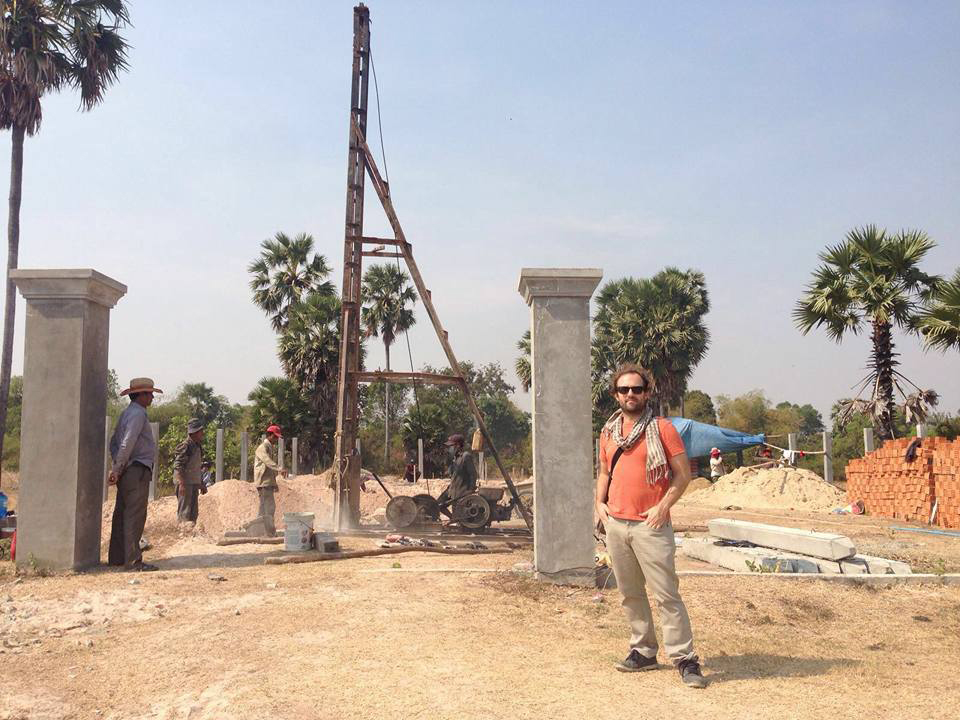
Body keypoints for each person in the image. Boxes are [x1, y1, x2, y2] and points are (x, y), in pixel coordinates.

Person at [595, 363, 707, 688]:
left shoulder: (661, 429)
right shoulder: (607, 433)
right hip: (617, 524)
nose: (631, 394)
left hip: (651, 524)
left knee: (666, 594)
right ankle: (643, 650)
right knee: (630, 593)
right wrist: (598, 504)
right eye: (624, 389)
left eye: (637, 389)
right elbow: (604, 472)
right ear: (615, 395)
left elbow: (683, 474)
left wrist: (663, 506)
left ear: (647, 393)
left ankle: (685, 658)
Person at [108, 378, 162, 572]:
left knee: (121, 513)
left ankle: (117, 558)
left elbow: (114, 443)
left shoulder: (126, 414)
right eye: (149, 393)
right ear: (140, 395)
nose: (152, 397)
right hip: (137, 469)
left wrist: (118, 466)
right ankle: (133, 561)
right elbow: (127, 442)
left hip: (127, 469)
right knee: (134, 516)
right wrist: (118, 468)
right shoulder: (138, 414)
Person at [243, 425, 287, 536]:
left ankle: (253, 529)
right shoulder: (262, 447)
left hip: (267, 482)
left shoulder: (269, 447)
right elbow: (267, 461)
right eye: (275, 437)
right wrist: (279, 469)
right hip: (264, 482)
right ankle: (270, 532)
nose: (276, 440)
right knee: (270, 508)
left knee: (263, 509)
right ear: (269, 435)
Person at [174, 418, 206, 525]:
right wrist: (182, 484)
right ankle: (182, 536)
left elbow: (197, 467)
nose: (202, 433)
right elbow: (178, 466)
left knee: (193, 514)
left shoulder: (197, 446)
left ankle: (190, 536)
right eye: (201, 431)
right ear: (195, 432)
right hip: (185, 484)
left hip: (193, 484)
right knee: (184, 513)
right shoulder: (186, 446)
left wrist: (201, 484)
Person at [435, 434, 478, 512]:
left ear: (457, 445)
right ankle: (452, 519)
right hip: (452, 490)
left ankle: (455, 519)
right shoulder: (455, 457)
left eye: (451, 446)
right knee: (438, 505)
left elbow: (473, 474)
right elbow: (451, 473)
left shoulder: (466, 456)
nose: (449, 448)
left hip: (461, 491)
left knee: (458, 515)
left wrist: (471, 489)